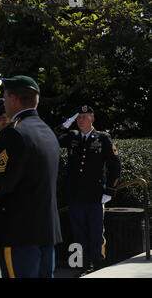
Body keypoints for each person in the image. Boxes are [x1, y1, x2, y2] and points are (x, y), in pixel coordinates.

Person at [0, 75, 62, 278]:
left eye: (4, 97)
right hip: (45, 232)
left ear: (13, 99)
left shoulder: (14, 133)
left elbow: (1, 183)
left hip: (19, 234)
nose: (4, 102)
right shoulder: (47, 132)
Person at [54, 105, 121, 276]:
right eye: (78, 118)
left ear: (92, 119)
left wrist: (110, 190)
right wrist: (65, 124)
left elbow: (115, 165)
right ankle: (81, 266)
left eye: (84, 117)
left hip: (95, 195)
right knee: (78, 234)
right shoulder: (72, 137)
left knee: (96, 233)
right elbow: (51, 137)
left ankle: (97, 266)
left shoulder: (102, 138)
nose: (80, 120)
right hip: (75, 195)